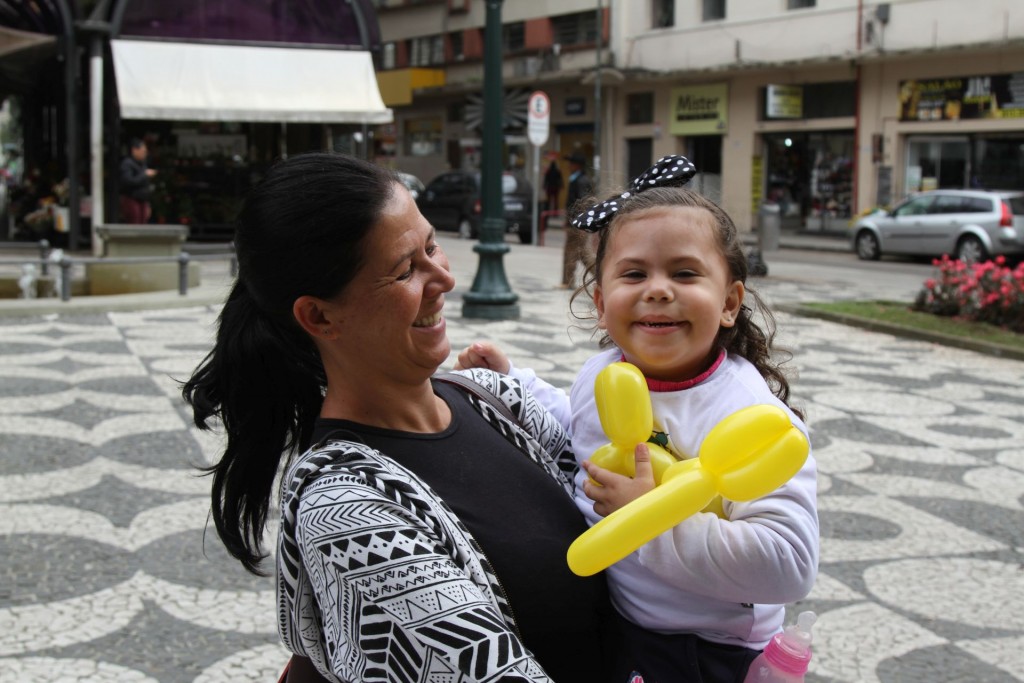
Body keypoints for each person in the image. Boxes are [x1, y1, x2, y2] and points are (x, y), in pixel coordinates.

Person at [181, 152, 618, 683]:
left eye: (433, 246)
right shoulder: (345, 512)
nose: (444, 280)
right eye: (406, 269)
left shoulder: (498, 399)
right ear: (319, 315)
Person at [457, 155, 819, 683]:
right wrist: (515, 381)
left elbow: (789, 565)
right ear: (602, 304)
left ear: (730, 302)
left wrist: (652, 519)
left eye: (685, 272)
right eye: (634, 273)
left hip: (705, 649)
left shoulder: (750, 416)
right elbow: (579, 426)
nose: (657, 288)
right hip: (617, 618)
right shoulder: (606, 371)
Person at [561, 153, 592, 289]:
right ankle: (602, 276)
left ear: (578, 165)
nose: (569, 166)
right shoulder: (576, 179)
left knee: (571, 253)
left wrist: (580, 223)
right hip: (575, 222)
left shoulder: (581, 181)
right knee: (583, 254)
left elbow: (583, 203)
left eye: (572, 163)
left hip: (577, 224)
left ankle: (567, 282)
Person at [119, 138, 157, 224]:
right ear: (135, 150)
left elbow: (145, 185)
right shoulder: (127, 164)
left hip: (143, 199)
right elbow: (128, 181)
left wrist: (147, 204)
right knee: (134, 224)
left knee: (143, 224)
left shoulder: (142, 164)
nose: (144, 154)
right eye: (143, 151)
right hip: (131, 199)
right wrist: (145, 175)